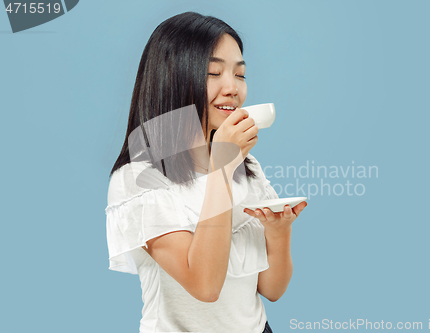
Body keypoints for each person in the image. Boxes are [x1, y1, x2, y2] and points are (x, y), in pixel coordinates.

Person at [105, 11, 307, 333]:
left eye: (240, 75)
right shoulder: (139, 178)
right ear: (172, 77)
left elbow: (272, 289)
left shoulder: (246, 165)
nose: (233, 88)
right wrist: (222, 168)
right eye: (214, 72)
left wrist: (279, 232)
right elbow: (205, 286)